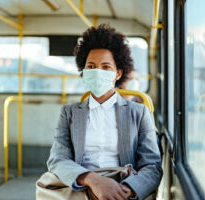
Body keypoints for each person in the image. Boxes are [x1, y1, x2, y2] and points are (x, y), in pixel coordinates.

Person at [47, 24, 162, 200]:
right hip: (81, 184)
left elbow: (152, 166)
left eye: (106, 67)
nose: (97, 72)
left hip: (122, 185)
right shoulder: (69, 113)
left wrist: (126, 190)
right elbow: (58, 159)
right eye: (91, 66)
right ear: (84, 71)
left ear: (118, 73)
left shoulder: (139, 113)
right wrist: (93, 181)